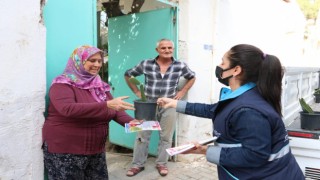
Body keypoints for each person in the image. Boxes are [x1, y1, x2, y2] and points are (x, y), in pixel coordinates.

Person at [157, 44, 304, 179]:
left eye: (223, 63)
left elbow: (254, 155)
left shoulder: (249, 110)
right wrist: (175, 103)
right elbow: (213, 110)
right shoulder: (246, 95)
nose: (219, 66)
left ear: (236, 70)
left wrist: (203, 151)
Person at [42, 45, 141, 180]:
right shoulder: (62, 84)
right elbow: (67, 109)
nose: (97, 64)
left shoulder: (99, 85)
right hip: (66, 149)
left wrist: (134, 124)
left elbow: (116, 111)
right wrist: (106, 104)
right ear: (78, 62)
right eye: (92, 60)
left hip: (96, 150)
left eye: (100, 61)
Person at [124, 39, 196, 177]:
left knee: (166, 137)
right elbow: (128, 74)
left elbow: (192, 77)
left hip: (169, 104)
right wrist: (137, 92)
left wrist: (182, 92)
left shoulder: (180, 65)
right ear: (157, 50)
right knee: (142, 135)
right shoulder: (146, 64)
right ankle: (137, 165)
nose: (167, 50)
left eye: (170, 48)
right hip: (148, 105)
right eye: (163, 48)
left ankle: (162, 163)